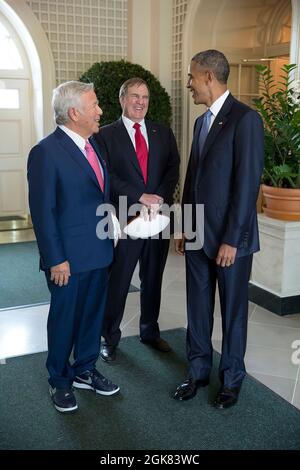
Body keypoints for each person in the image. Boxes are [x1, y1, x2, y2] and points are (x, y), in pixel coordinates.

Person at [174, 50, 264, 408]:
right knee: (197, 307)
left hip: (230, 242)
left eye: (192, 77)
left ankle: (231, 380)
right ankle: (196, 372)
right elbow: (193, 178)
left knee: (233, 312)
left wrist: (231, 239)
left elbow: (247, 186)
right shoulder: (200, 123)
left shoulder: (246, 120)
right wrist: (184, 226)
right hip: (197, 235)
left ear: (209, 77)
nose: (189, 84)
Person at [27, 81, 120, 413]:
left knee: (92, 317)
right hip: (66, 260)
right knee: (65, 320)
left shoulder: (93, 145)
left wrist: (114, 224)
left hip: (99, 252)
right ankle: (60, 380)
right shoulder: (45, 152)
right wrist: (56, 259)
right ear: (73, 112)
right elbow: (43, 212)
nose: (100, 111)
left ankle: (85, 369)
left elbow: (97, 196)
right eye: (94, 105)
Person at [95, 77, 180, 362]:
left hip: (157, 219)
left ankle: (150, 331)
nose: (140, 102)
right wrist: (139, 196)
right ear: (122, 100)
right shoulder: (105, 134)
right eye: (134, 96)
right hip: (125, 218)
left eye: (144, 97)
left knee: (153, 278)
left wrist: (159, 199)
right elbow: (107, 175)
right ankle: (109, 337)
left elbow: (172, 168)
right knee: (118, 280)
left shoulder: (162, 132)